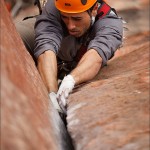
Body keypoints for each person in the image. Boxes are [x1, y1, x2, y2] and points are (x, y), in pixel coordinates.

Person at [17, 0, 123, 116]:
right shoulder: (54, 7)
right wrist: (52, 94)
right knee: (16, 35)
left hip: (80, 58)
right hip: (57, 46)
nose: (70, 25)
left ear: (94, 9)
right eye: (65, 17)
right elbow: (46, 46)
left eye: (77, 19)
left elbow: (96, 55)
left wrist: (71, 80)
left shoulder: (111, 24)